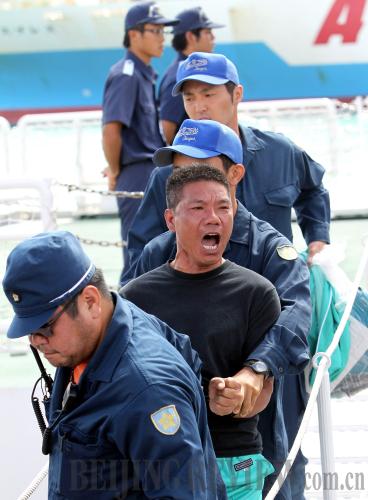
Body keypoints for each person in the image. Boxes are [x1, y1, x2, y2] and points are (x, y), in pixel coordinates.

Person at [121, 119, 312, 499]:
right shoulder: (157, 253)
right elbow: (129, 323)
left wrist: (255, 371)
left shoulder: (268, 251)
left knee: (279, 476)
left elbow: (296, 313)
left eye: (201, 167)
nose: (186, 175)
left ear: (235, 175)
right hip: (172, 432)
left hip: (253, 413)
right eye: (178, 168)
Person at [2, 231, 226, 499]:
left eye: (44, 327)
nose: (36, 340)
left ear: (90, 301)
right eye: (29, 330)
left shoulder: (148, 392)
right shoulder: (96, 336)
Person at [122, 51, 330, 284]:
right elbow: (140, 256)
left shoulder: (280, 152)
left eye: (208, 94)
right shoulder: (169, 174)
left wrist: (317, 239)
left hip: (277, 292)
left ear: (237, 94)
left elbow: (313, 189)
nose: (199, 107)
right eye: (189, 98)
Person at [101, 1, 178, 276]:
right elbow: (111, 129)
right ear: (134, 34)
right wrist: (116, 170)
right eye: (155, 30)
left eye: (162, 31)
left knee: (156, 250)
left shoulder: (144, 74)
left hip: (149, 171)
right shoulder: (127, 75)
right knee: (139, 253)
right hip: (136, 174)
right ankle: (129, 313)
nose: (161, 38)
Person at [159, 7, 224, 144]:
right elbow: (167, 127)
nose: (213, 37)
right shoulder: (179, 76)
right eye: (207, 32)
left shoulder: (186, 71)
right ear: (191, 37)